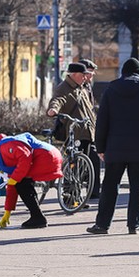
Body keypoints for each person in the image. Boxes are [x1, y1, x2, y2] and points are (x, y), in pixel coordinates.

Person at [87, 58, 139, 235]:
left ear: (123, 72)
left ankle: (102, 225)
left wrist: (100, 147)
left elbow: (102, 121)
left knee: (110, 187)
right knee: (138, 188)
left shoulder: (111, 90)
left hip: (115, 147)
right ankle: (134, 225)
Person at [0, 133, 63, 228]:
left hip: (46, 156)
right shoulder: (8, 153)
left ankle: (38, 218)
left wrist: (15, 178)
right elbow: (12, 186)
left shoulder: (5, 146)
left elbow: (25, 156)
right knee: (22, 183)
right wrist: (7, 212)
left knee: (22, 184)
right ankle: (37, 217)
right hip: (51, 154)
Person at [47, 62, 99, 199]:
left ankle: (77, 198)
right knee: (73, 165)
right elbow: (57, 100)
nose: (85, 77)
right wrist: (53, 110)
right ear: (74, 74)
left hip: (87, 132)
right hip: (74, 133)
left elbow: (89, 110)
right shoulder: (63, 88)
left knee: (82, 167)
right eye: (83, 75)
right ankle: (69, 197)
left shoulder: (81, 88)